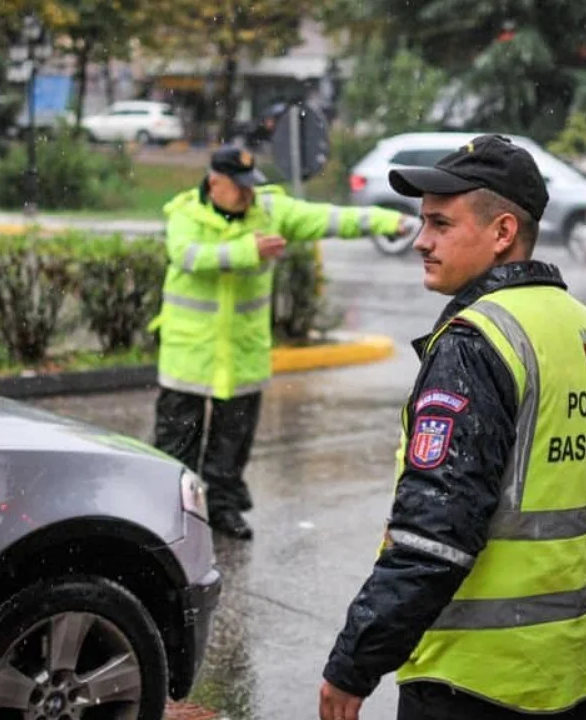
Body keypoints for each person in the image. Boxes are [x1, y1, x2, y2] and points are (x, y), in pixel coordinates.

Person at [318, 135, 586, 720]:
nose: (421, 241)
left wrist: (353, 665)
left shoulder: (476, 343)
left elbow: (434, 537)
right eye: (422, 224)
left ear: (502, 233)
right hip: (564, 677)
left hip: (465, 683)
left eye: (440, 224)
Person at [153, 146, 419, 540]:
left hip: (243, 353)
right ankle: (168, 518)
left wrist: (387, 220)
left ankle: (223, 510)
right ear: (214, 183)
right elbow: (189, 256)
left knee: (233, 443)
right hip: (189, 352)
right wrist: (249, 250)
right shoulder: (185, 214)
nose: (248, 196)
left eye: (250, 187)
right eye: (239, 188)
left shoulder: (270, 212)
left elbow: (328, 218)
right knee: (176, 444)